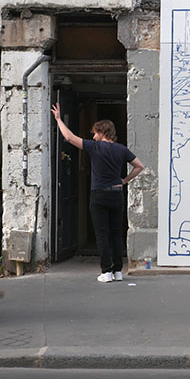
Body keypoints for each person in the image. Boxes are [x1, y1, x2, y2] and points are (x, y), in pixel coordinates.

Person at [51, 104, 144, 283]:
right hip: (116, 194)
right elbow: (139, 166)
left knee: (102, 234)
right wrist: (123, 181)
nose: (93, 136)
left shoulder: (95, 147)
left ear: (102, 133)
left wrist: (59, 119)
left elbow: (69, 138)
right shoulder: (122, 149)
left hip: (99, 195)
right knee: (116, 233)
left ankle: (106, 271)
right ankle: (118, 271)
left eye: (95, 133)